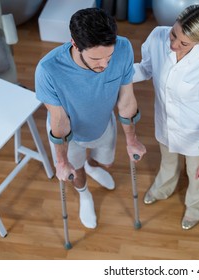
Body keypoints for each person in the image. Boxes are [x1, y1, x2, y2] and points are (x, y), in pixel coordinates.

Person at [35, 8, 146, 229]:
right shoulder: (48, 70)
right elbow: (60, 121)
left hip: (103, 123)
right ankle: (85, 195)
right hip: (70, 134)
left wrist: (132, 139)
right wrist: (62, 161)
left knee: (107, 162)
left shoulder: (123, 48)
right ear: (75, 45)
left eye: (109, 57)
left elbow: (126, 100)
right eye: (96, 58)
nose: (104, 65)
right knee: (75, 172)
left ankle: (93, 166)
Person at [133, 5, 199, 230]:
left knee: (197, 172)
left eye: (183, 43)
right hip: (165, 120)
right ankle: (163, 187)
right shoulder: (157, 37)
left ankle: (196, 207)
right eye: (174, 34)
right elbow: (146, 69)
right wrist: (116, 74)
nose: (173, 44)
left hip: (194, 130)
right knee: (168, 159)